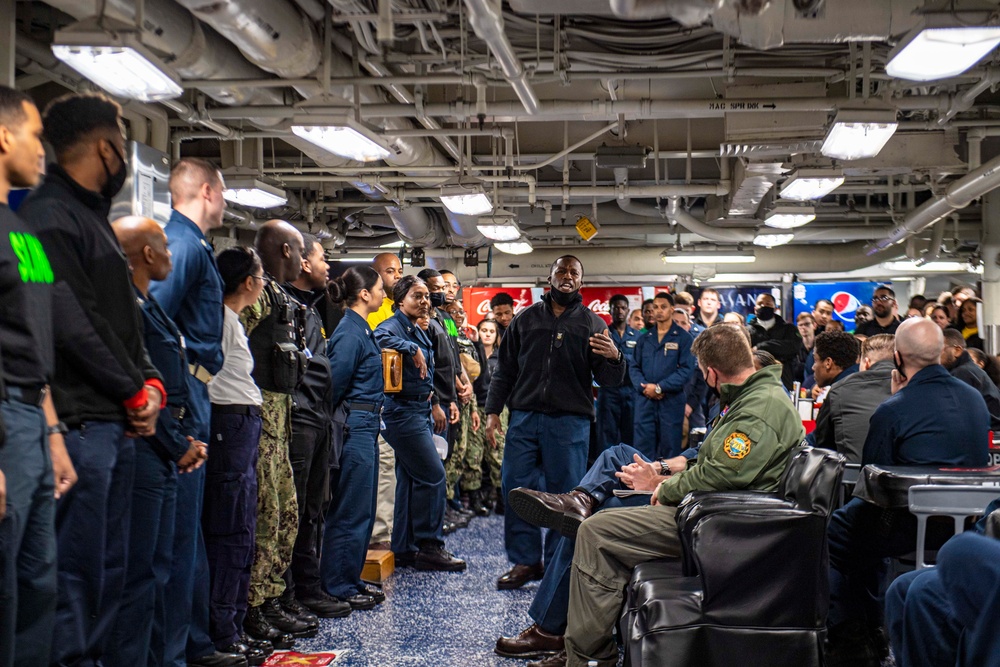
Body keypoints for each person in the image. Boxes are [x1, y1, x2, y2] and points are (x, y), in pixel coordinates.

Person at [516, 324, 805, 667]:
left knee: (593, 529)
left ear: (711, 372)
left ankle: (587, 657)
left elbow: (723, 474)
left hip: (719, 523)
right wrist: (663, 470)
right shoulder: (750, 397)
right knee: (614, 464)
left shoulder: (758, 408)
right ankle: (580, 501)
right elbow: (708, 456)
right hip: (710, 509)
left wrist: (661, 485)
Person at [18, 92, 165, 667]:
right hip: (78, 426)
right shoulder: (43, 219)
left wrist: (150, 383)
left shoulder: (93, 221)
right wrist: (134, 388)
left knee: (107, 572)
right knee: (72, 582)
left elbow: (121, 318)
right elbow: (69, 321)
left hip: (112, 424)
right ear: (107, 148)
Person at [825, 318, 991, 667]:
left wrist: (898, 397)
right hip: (964, 526)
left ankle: (853, 635)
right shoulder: (975, 399)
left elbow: (873, 480)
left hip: (906, 523)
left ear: (897, 358)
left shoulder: (893, 409)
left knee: (838, 531)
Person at [107, 217, 224, 667]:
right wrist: (177, 443)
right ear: (149, 255)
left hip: (168, 439)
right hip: (149, 446)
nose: (173, 255)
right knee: (139, 573)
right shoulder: (131, 311)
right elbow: (140, 387)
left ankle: (162, 657)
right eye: (164, 247)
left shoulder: (150, 307)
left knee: (159, 565)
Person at [486, 256, 626, 591]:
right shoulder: (525, 320)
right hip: (524, 418)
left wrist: (615, 356)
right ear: (549, 278)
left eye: (573, 273)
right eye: (561, 271)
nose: (566, 276)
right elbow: (504, 370)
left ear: (581, 282)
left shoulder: (592, 324)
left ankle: (556, 564)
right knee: (515, 488)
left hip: (570, 423)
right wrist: (493, 411)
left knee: (566, 498)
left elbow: (610, 380)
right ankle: (526, 561)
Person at [0, 85, 76, 667]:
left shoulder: (20, 229)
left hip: (31, 414)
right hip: (3, 420)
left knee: (37, 581)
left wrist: (51, 432)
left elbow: (35, 337)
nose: (41, 151)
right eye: (33, 136)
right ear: (4, 137)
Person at [148, 156, 229, 667]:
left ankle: (194, 643)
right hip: (184, 395)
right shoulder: (180, 242)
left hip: (199, 392)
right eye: (222, 192)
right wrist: (171, 392)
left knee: (189, 532)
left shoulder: (195, 244)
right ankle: (172, 655)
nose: (225, 201)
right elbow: (150, 315)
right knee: (176, 537)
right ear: (205, 191)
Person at [204, 247, 288, 659]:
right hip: (229, 425)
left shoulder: (232, 321)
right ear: (248, 282)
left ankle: (234, 625)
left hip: (242, 424)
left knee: (243, 530)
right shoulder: (218, 320)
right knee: (230, 531)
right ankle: (223, 633)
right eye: (259, 276)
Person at [241, 221, 317, 643]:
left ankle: (273, 597)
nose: (305, 260)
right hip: (258, 419)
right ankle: (253, 606)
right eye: (301, 251)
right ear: (285, 250)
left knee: (285, 515)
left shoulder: (279, 296)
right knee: (265, 516)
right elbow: (231, 347)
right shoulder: (255, 295)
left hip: (280, 416)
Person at [375, 275, 467, 571]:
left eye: (427, 296)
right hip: (401, 413)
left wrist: (436, 402)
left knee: (410, 478)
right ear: (400, 301)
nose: (425, 301)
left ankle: (403, 546)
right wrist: (410, 347)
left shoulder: (420, 326)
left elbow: (431, 372)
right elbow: (378, 337)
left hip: (419, 409)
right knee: (432, 474)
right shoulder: (393, 326)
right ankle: (430, 545)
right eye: (417, 296)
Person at [281, 236, 344, 618]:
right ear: (304, 262)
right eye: (323, 259)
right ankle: (288, 594)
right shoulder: (281, 302)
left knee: (314, 509)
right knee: (295, 509)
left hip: (319, 418)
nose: (328, 267)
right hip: (298, 417)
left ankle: (308, 587)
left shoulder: (315, 308)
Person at [322, 266, 389, 608]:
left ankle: (350, 576)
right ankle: (337, 584)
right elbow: (333, 386)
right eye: (379, 288)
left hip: (367, 424)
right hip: (354, 426)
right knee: (349, 509)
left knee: (362, 508)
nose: (383, 294)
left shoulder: (362, 329)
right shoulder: (350, 332)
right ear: (364, 294)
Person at [367, 252, 404, 552]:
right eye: (390, 271)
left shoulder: (398, 310)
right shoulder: (371, 311)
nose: (397, 276)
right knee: (381, 468)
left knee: (391, 469)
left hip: (400, 404)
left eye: (400, 270)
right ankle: (379, 535)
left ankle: (388, 528)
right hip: (376, 401)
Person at [630, 292, 695, 460]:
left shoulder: (684, 338)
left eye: (663, 307)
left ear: (672, 309)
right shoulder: (644, 339)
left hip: (671, 402)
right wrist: (645, 388)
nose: (658, 311)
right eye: (655, 307)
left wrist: (660, 387)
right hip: (645, 401)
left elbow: (686, 370)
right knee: (642, 451)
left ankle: (667, 485)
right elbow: (634, 367)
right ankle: (642, 486)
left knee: (670, 450)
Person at [810, 334, 894, 463]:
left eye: (815, 360)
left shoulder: (840, 390)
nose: (813, 367)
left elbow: (821, 447)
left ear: (865, 363)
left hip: (852, 478)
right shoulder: (911, 390)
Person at [595, 294, 640, 450]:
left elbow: (639, 362)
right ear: (610, 310)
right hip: (609, 391)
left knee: (631, 435)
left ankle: (630, 471)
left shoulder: (638, 336)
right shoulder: (602, 334)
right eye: (616, 308)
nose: (620, 311)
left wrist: (617, 357)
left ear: (628, 310)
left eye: (623, 308)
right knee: (606, 435)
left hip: (631, 391)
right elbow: (599, 360)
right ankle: (607, 472)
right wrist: (625, 359)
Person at [941, 328, 1000, 430]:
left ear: (957, 350)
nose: (936, 354)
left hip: (988, 435)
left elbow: (958, 414)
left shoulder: (963, 373)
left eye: (941, 349)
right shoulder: (970, 369)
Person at [477, 319, 506, 514]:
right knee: (476, 456)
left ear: (497, 336)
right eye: (483, 330)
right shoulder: (469, 352)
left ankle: (502, 497)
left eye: (491, 331)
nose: (487, 334)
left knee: (497, 454)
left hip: (498, 410)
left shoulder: (502, 357)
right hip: (475, 407)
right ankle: (481, 497)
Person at [747, 293, 800, 390]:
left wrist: (760, 347)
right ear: (755, 309)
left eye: (768, 304)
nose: (764, 306)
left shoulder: (788, 329)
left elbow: (792, 347)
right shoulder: (747, 331)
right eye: (760, 303)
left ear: (775, 309)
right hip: (755, 382)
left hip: (783, 380)